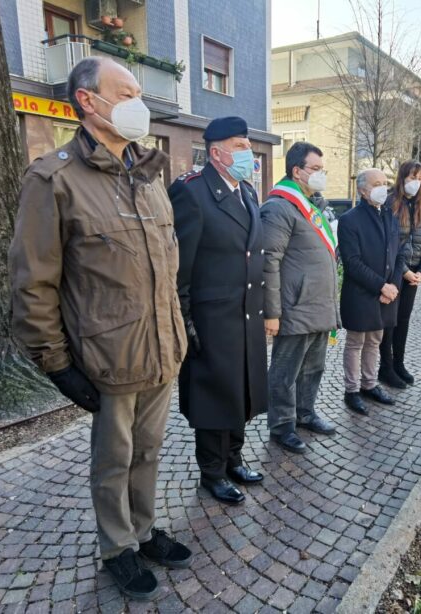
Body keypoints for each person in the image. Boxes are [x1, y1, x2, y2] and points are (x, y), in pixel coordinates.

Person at [9, 57, 192, 601]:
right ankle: (118, 547)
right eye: (126, 92)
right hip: (108, 354)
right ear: (88, 100)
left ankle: (141, 528)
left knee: (150, 450)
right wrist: (56, 363)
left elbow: (167, 262)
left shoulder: (149, 174)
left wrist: (182, 325)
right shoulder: (54, 179)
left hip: (161, 348)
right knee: (113, 459)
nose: (139, 103)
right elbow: (33, 281)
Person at [168, 116, 267, 506]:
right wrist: (186, 322)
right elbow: (180, 268)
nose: (248, 153)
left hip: (246, 312)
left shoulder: (247, 192)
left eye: (247, 145)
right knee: (214, 395)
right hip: (210, 318)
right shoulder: (192, 193)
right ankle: (212, 471)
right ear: (216, 152)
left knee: (241, 389)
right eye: (240, 146)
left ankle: (234, 458)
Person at [261, 142, 339, 454]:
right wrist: (272, 312)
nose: (321, 175)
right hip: (294, 307)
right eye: (316, 169)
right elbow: (268, 261)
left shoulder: (312, 206)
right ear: (297, 171)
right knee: (285, 372)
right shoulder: (280, 207)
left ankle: (305, 413)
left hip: (319, 305)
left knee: (313, 368)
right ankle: (282, 425)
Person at [338, 168, 406, 415]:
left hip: (386, 293)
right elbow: (353, 262)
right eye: (377, 183)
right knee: (356, 342)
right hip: (361, 292)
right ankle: (352, 390)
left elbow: (400, 255)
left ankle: (369, 384)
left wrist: (393, 286)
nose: (383, 187)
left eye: (385, 182)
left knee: (375, 341)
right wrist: (381, 285)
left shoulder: (390, 216)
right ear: (363, 190)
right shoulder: (350, 220)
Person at [378, 160, 421, 389]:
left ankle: (399, 364)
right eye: (412, 177)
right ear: (402, 178)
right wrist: (404, 272)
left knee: (403, 321)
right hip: (394, 273)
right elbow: (388, 243)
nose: (415, 182)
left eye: (419, 178)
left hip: (414, 275)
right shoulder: (390, 203)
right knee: (389, 322)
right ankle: (386, 367)